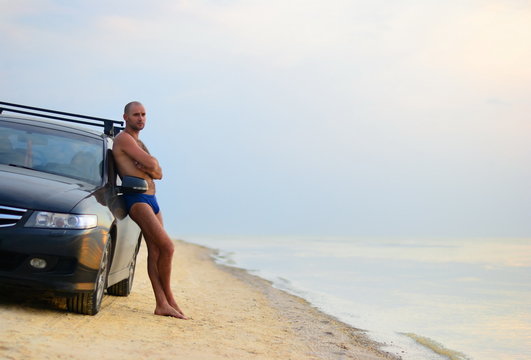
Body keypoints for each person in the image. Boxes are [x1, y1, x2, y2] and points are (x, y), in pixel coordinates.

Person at [112, 101, 186, 319]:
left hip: (152, 199)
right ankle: (167, 299)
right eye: (136, 114)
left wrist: (151, 166)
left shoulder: (139, 142)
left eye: (144, 114)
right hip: (137, 199)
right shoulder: (124, 139)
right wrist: (151, 165)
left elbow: (158, 172)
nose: (141, 118)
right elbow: (152, 164)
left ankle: (162, 303)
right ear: (125, 117)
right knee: (168, 247)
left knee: (156, 250)